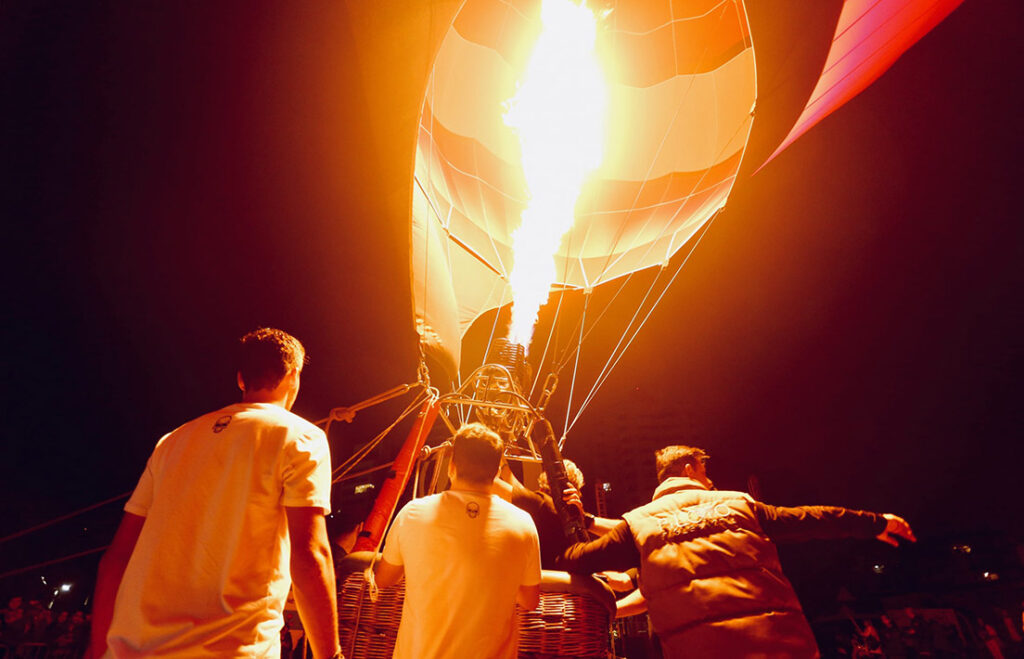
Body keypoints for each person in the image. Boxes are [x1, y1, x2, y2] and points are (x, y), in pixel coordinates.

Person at [87, 328, 341, 659]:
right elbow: (310, 556)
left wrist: (96, 647)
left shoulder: (173, 441)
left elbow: (117, 558)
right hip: (230, 649)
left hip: (130, 650)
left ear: (240, 379)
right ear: (293, 376)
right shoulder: (302, 438)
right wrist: (330, 655)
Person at [556, 445, 916, 658]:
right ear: (688, 469)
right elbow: (813, 519)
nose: (710, 480)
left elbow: (575, 561)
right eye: (704, 470)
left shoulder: (639, 524)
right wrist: (876, 522)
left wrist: (574, 518)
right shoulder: (739, 505)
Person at [373, 422, 541, 659]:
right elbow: (530, 600)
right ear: (496, 474)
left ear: (451, 467)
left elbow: (383, 579)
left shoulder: (413, 513)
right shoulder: (523, 523)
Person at [493, 457, 617, 568]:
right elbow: (627, 528)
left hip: (546, 588)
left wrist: (494, 455)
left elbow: (491, 483)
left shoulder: (543, 505)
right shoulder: (572, 517)